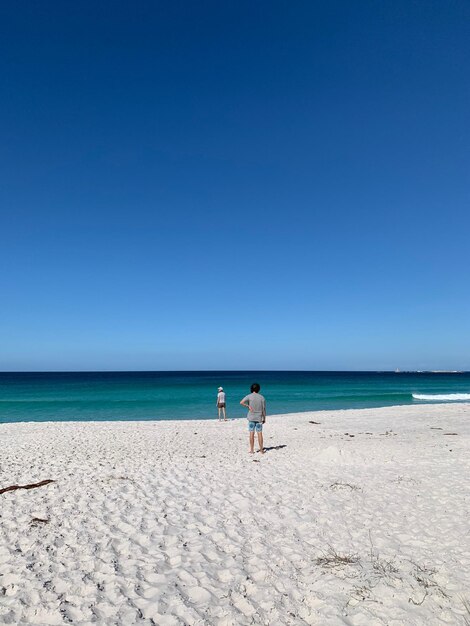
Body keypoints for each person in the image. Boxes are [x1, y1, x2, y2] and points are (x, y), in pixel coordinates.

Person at [240, 383, 266, 454]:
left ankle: (252, 450)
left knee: (251, 433)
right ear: (258, 389)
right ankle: (261, 450)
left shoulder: (249, 396)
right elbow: (263, 409)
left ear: (251, 389)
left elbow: (241, 402)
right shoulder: (262, 397)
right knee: (259, 433)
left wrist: (248, 406)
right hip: (259, 418)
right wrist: (264, 418)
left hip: (251, 418)